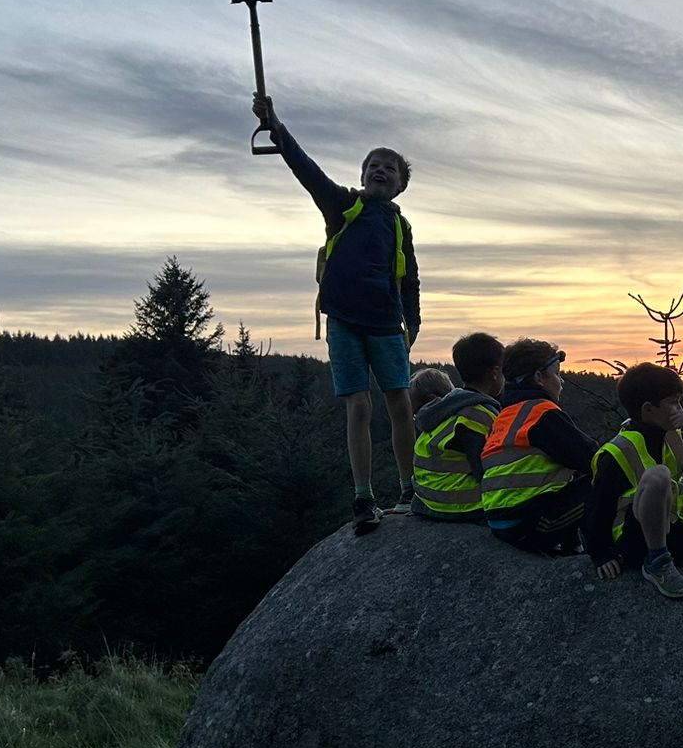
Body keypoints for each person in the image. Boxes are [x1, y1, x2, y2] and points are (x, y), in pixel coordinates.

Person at [253, 94, 420, 536]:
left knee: (401, 404)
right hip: (344, 322)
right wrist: (275, 126)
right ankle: (364, 496)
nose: (380, 170)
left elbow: (410, 282)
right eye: (372, 166)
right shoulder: (344, 206)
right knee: (360, 407)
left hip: (388, 326)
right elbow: (306, 171)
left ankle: (410, 490)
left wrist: (413, 327)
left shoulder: (401, 226)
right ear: (362, 177)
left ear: (401, 184)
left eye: (390, 167)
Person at [586, 362, 683, 600]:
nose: (680, 409)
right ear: (648, 409)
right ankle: (656, 564)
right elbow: (598, 507)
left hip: (677, 531)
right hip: (638, 543)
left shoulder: (674, 437)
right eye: (673, 402)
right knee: (658, 476)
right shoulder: (616, 452)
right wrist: (600, 555)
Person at [478, 338, 598, 555]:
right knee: (609, 475)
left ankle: (573, 547)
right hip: (531, 524)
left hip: (501, 523)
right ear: (539, 377)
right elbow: (591, 456)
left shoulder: (504, 416)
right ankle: (603, 553)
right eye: (557, 374)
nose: (561, 382)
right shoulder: (542, 413)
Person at [407, 332, 505, 520]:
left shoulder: (447, 408)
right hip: (458, 505)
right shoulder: (478, 413)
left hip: (426, 501)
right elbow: (485, 471)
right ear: (494, 373)